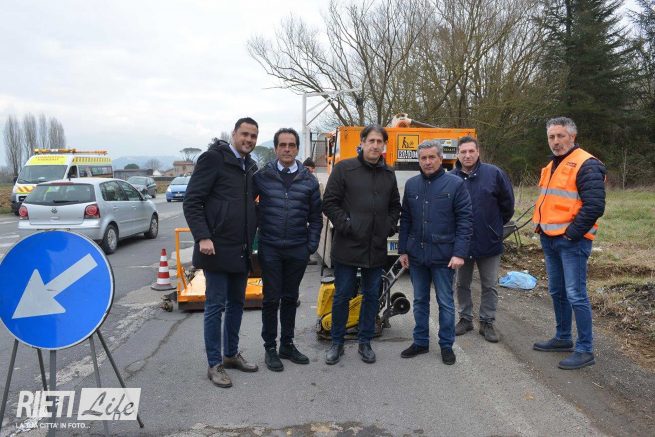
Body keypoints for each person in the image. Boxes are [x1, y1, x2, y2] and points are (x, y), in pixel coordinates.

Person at [183, 117, 260, 388]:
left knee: (237, 304)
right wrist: (203, 236)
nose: (249, 140)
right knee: (215, 306)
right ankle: (214, 363)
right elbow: (192, 200)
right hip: (215, 247)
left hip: (241, 248)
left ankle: (231, 354)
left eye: (253, 136)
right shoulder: (214, 159)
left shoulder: (250, 166)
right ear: (234, 134)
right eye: (244, 134)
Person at [322, 124, 401, 365]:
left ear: (384, 145)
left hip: (375, 248)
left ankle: (365, 342)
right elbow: (329, 202)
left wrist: (387, 227)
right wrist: (347, 225)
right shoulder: (344, 169)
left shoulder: (388, 174)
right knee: (342, 295)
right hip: (347, 245)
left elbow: (395, 207)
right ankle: (337, 343)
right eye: (371, 141)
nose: (375, 146)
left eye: (379, 142)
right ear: (363, 142)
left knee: (371, 296)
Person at [532, 116, 606, 370]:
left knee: (576, 294)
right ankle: (563, 337)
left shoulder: (587, 164)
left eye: (560, 136)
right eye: (551, 137)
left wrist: (572, 234)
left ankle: (585, 349)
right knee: (557, 291)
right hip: (550, 238)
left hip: (571, 241)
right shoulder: (552, 165)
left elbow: (594, 206)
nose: (555, 141)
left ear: (572, 137)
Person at [253, 128, 322, 372]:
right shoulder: (262, 177)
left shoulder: (309, 180)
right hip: (270, 248)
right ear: (275, 148)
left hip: (297, 250)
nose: (287, 149)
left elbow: (316, 218)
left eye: (291, 145)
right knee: (271, 299)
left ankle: (287, 344)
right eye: (282, 145)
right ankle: (270, 348)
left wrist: (310, 247)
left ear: (297, 148)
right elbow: (247, 208)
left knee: (291, 298)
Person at [398, 140, 472, 365]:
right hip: (417, 256)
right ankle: (420, 342)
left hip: (444, 256)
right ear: (418, 160)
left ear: (441, 158)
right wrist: (403, 250)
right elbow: (406, 219)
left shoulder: (455, 184)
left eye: (432, 157)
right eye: (423, 158)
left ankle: (446, 345)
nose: (428, 162)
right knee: (420, 300)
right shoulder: (411, 185)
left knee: (445, 303)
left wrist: (459, 253)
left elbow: (465, 220)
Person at [450, 136, 514, 343]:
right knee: (462, 283)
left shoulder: (494, 174)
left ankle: (487, 322)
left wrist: (493, 227)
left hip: (489, 240)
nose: (467, 155)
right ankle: (465, 318)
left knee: (489, 284)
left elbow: (508, 206)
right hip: (461, 243)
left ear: (478, 152)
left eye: (471, 151)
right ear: (457, 154)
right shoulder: (450, 178)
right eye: (463, 152)